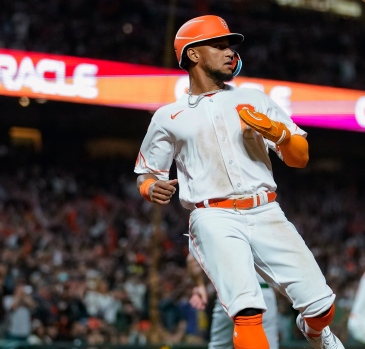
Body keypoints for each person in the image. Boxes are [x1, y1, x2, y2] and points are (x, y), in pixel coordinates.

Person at [134, 15, 344, 349]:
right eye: (218, 45)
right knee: (246, 310)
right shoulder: (168, 116)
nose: (229, 52)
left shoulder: (254, 98)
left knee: (322, 307)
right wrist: (149, 187)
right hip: (212, 215)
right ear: (193, 55)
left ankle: (315, 330)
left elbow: (300, 158)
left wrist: (279, 135)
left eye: (230, 46)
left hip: (265, 210)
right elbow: (147, 173)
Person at [186, 253, 279, 349]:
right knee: (269, 344)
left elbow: (192, 260)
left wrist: (199, 286)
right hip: (263, 291)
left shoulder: (219, 237)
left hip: (230, 290)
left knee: (219, 346)